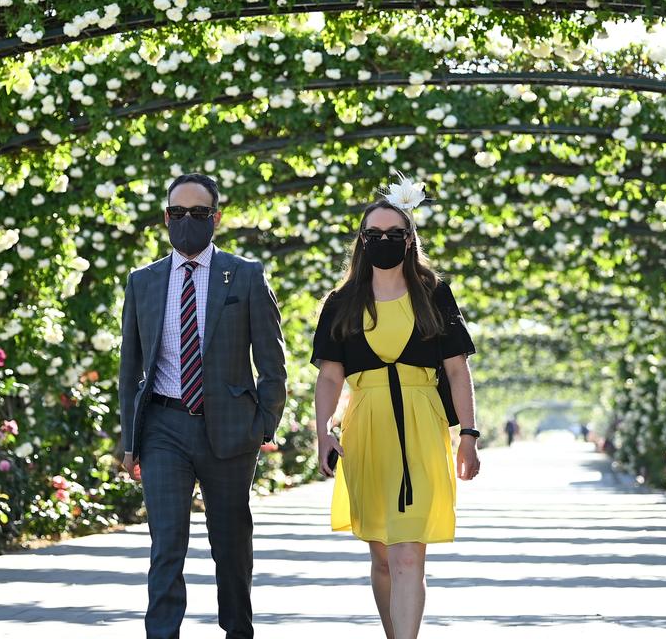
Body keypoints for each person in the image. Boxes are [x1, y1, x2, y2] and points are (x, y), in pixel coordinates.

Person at [117, 173, 287, 639]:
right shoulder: (143, 281)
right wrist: (130, 441)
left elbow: (272, 362)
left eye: (197, 214)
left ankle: (238, 630)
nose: (186, 222)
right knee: (166, 543)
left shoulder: (246, 274)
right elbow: (130, 368)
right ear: (165, 218)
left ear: (216, 217)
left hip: (231, 432)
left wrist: (263, 425)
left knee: (230, 546)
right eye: (177, 214)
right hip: (163, 429)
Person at [311, 190, 482, 639]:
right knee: (383, 556)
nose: (383, 240)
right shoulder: (341, 301)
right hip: (366, 427)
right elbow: (330, 377)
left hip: (423, 426)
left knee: (409, 554)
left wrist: (469, 434)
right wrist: (323, 432)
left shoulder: (433, 294)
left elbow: (457, 368)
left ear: (409, 239)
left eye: (394, 233)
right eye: (374, 233)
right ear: (362, 240)